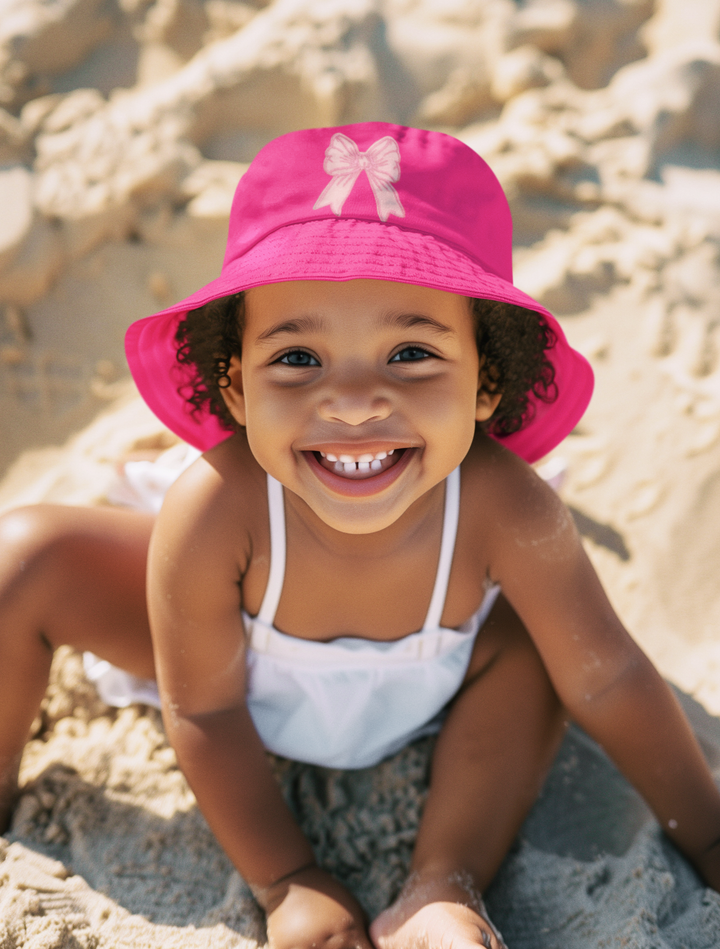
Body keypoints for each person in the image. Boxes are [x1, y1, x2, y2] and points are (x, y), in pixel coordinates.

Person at [1, 123, 719, 949]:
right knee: (21, 559)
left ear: (486, 379)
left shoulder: (502, 506)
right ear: (234, 383)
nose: (350, 401)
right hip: (227, 658)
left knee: (545, 642)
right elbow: (204, 706)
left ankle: (441, 884)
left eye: (410, 352)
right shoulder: (217, 509)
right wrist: (286, 881)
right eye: (298, 358)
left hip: (444, 680)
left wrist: (707, 832)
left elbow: (611, 678)